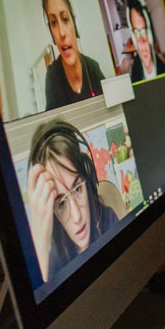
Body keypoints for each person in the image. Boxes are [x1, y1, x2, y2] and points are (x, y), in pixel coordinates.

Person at [27, 119, 119, 283]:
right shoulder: (52, 262)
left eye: (77, 189)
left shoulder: (108, 220)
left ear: (88, 179)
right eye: (61, 203)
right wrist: (39, 246)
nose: (77, 217)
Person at [42, 0, 105, 110]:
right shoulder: (52, 77)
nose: (61, 33)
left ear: (75, 25)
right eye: (53, 23)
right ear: (50, 32)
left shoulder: (93, 68)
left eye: (65, 19)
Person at [125, 0, 165, 81]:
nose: (141, 41)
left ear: (150, 34)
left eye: (144, 31)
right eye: (136, 32)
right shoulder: (134, 73)